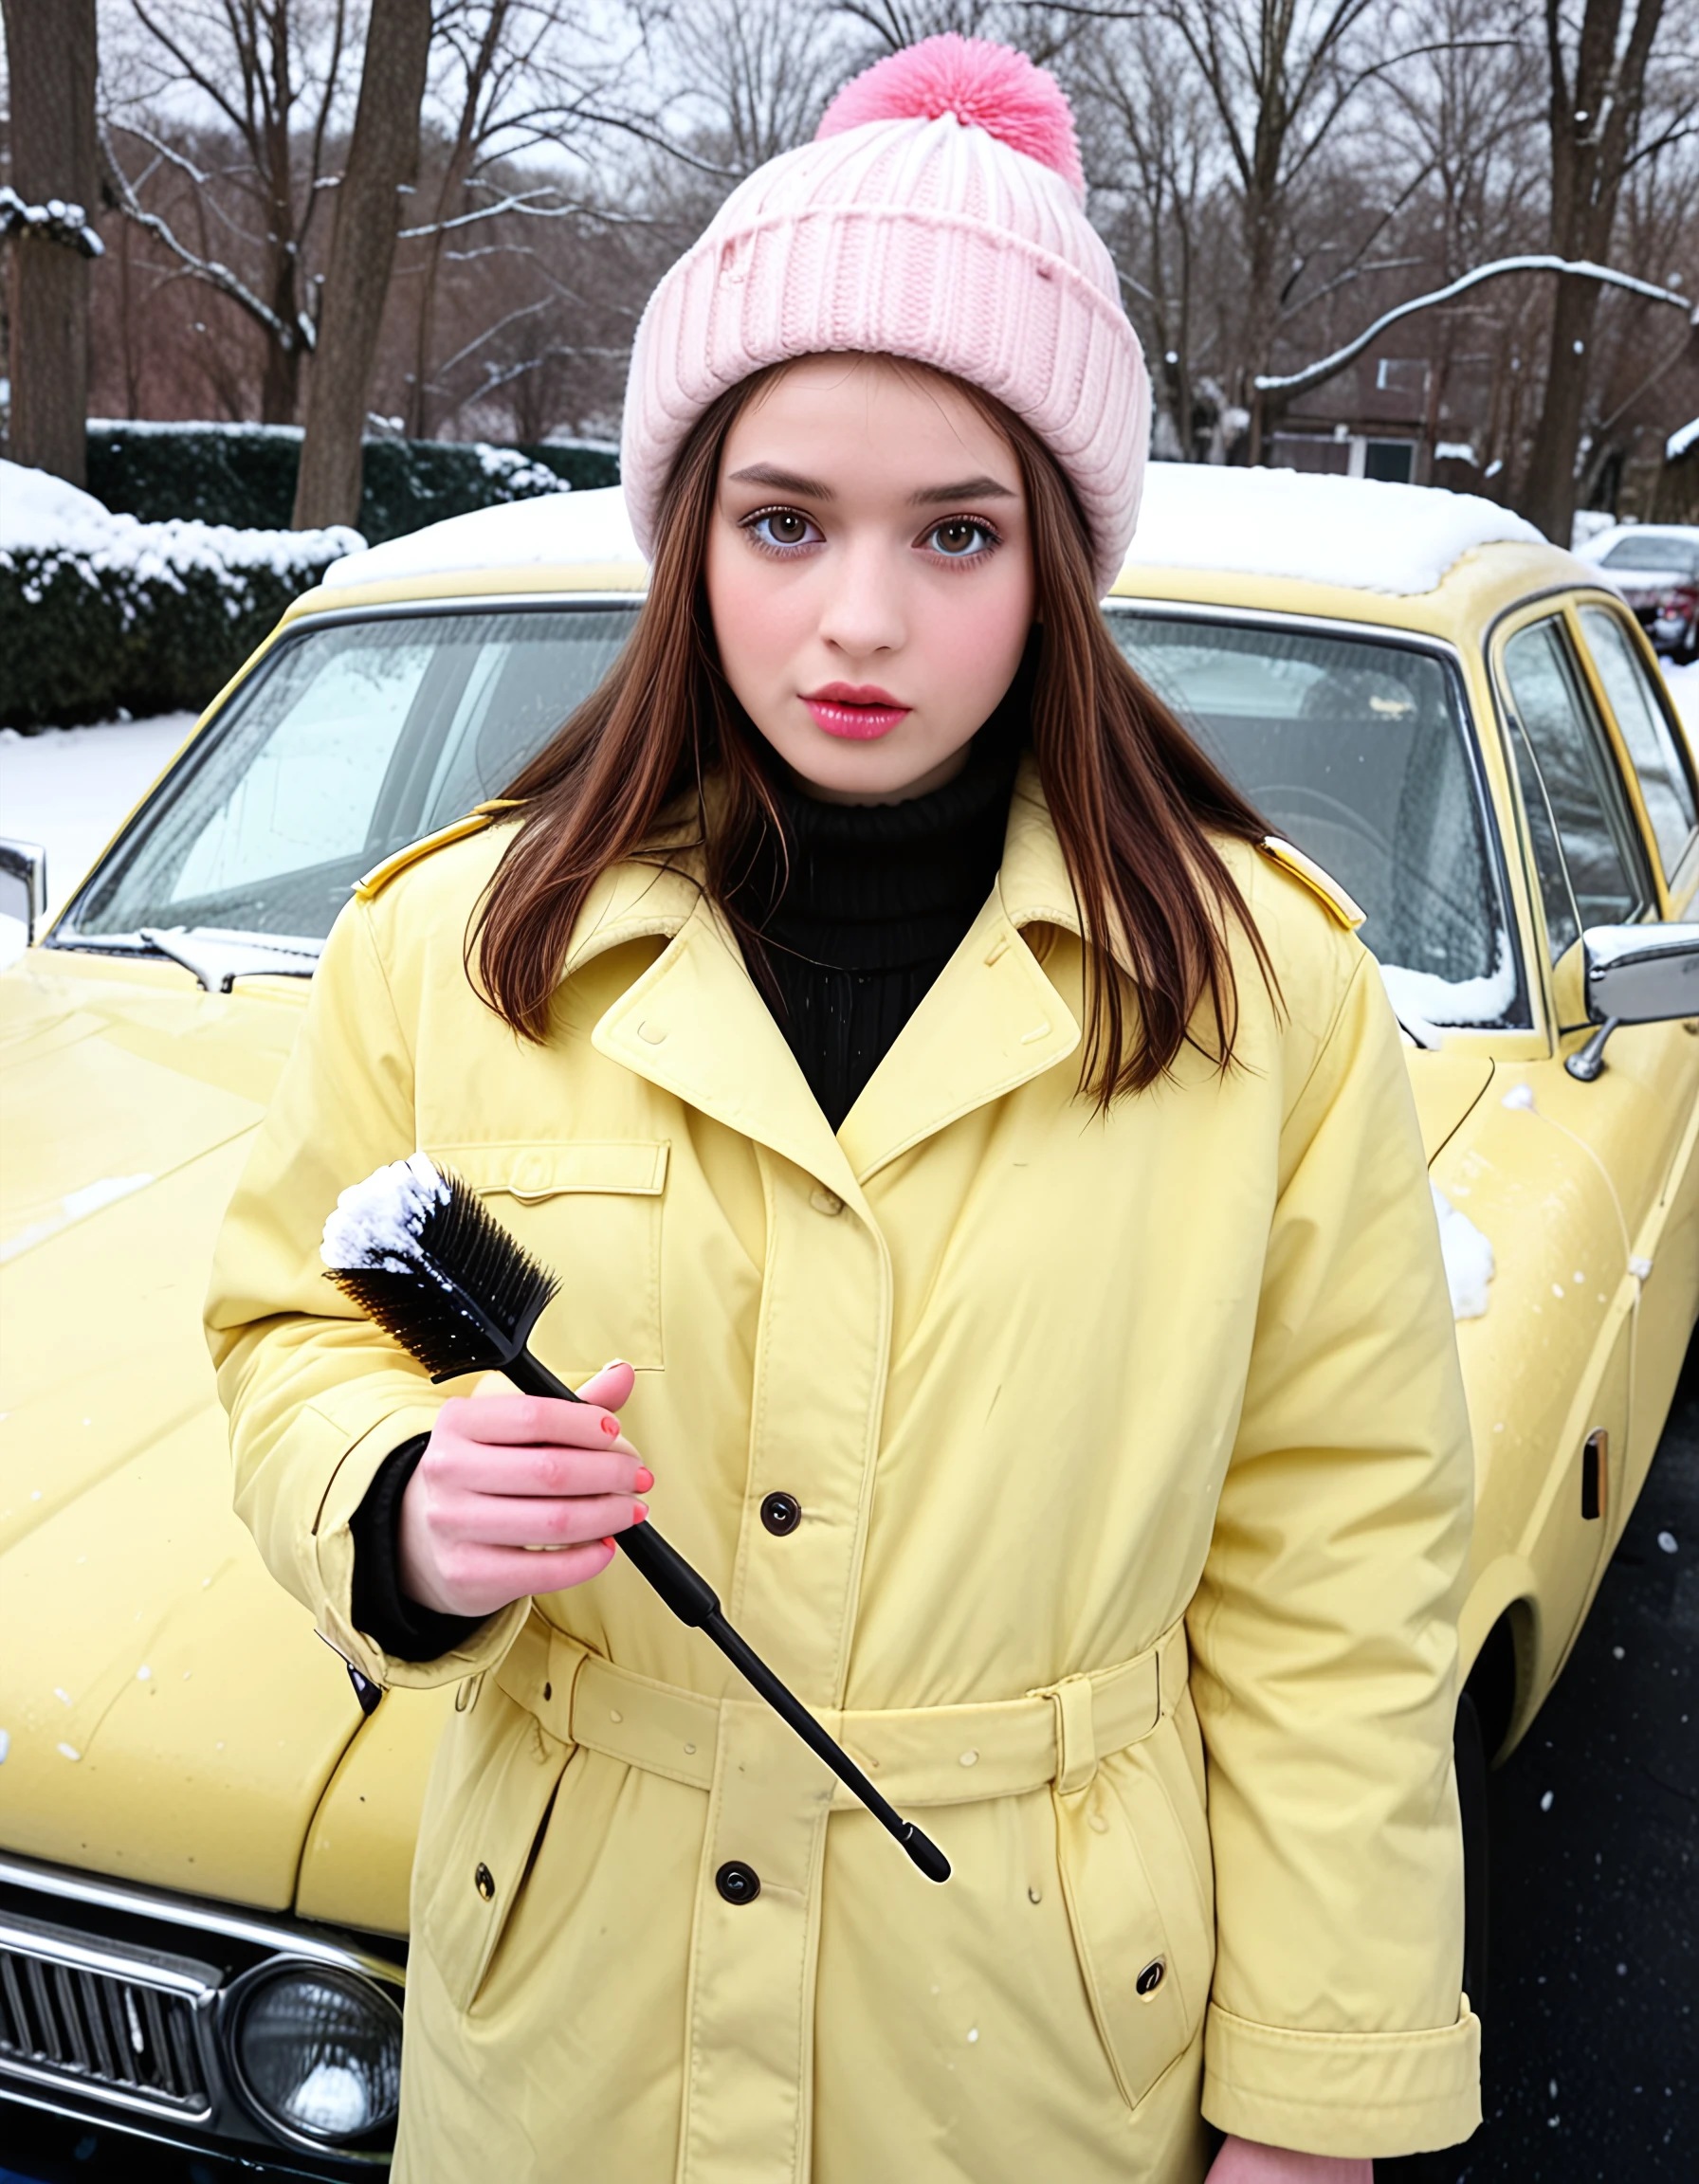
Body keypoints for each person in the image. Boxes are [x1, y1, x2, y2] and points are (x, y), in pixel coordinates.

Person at [206, 35, 1480, 2184]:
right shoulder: (454, 949)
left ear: (1054, 562)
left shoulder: (1263, 998)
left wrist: (1311, 2097)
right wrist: (396, 1497)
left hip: (1034, 2050)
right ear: (690, 529)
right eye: (784, 523)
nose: (858, 621)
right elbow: (291, 1326)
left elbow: (1336, 1573)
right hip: (570, 2039)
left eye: (955, 533)